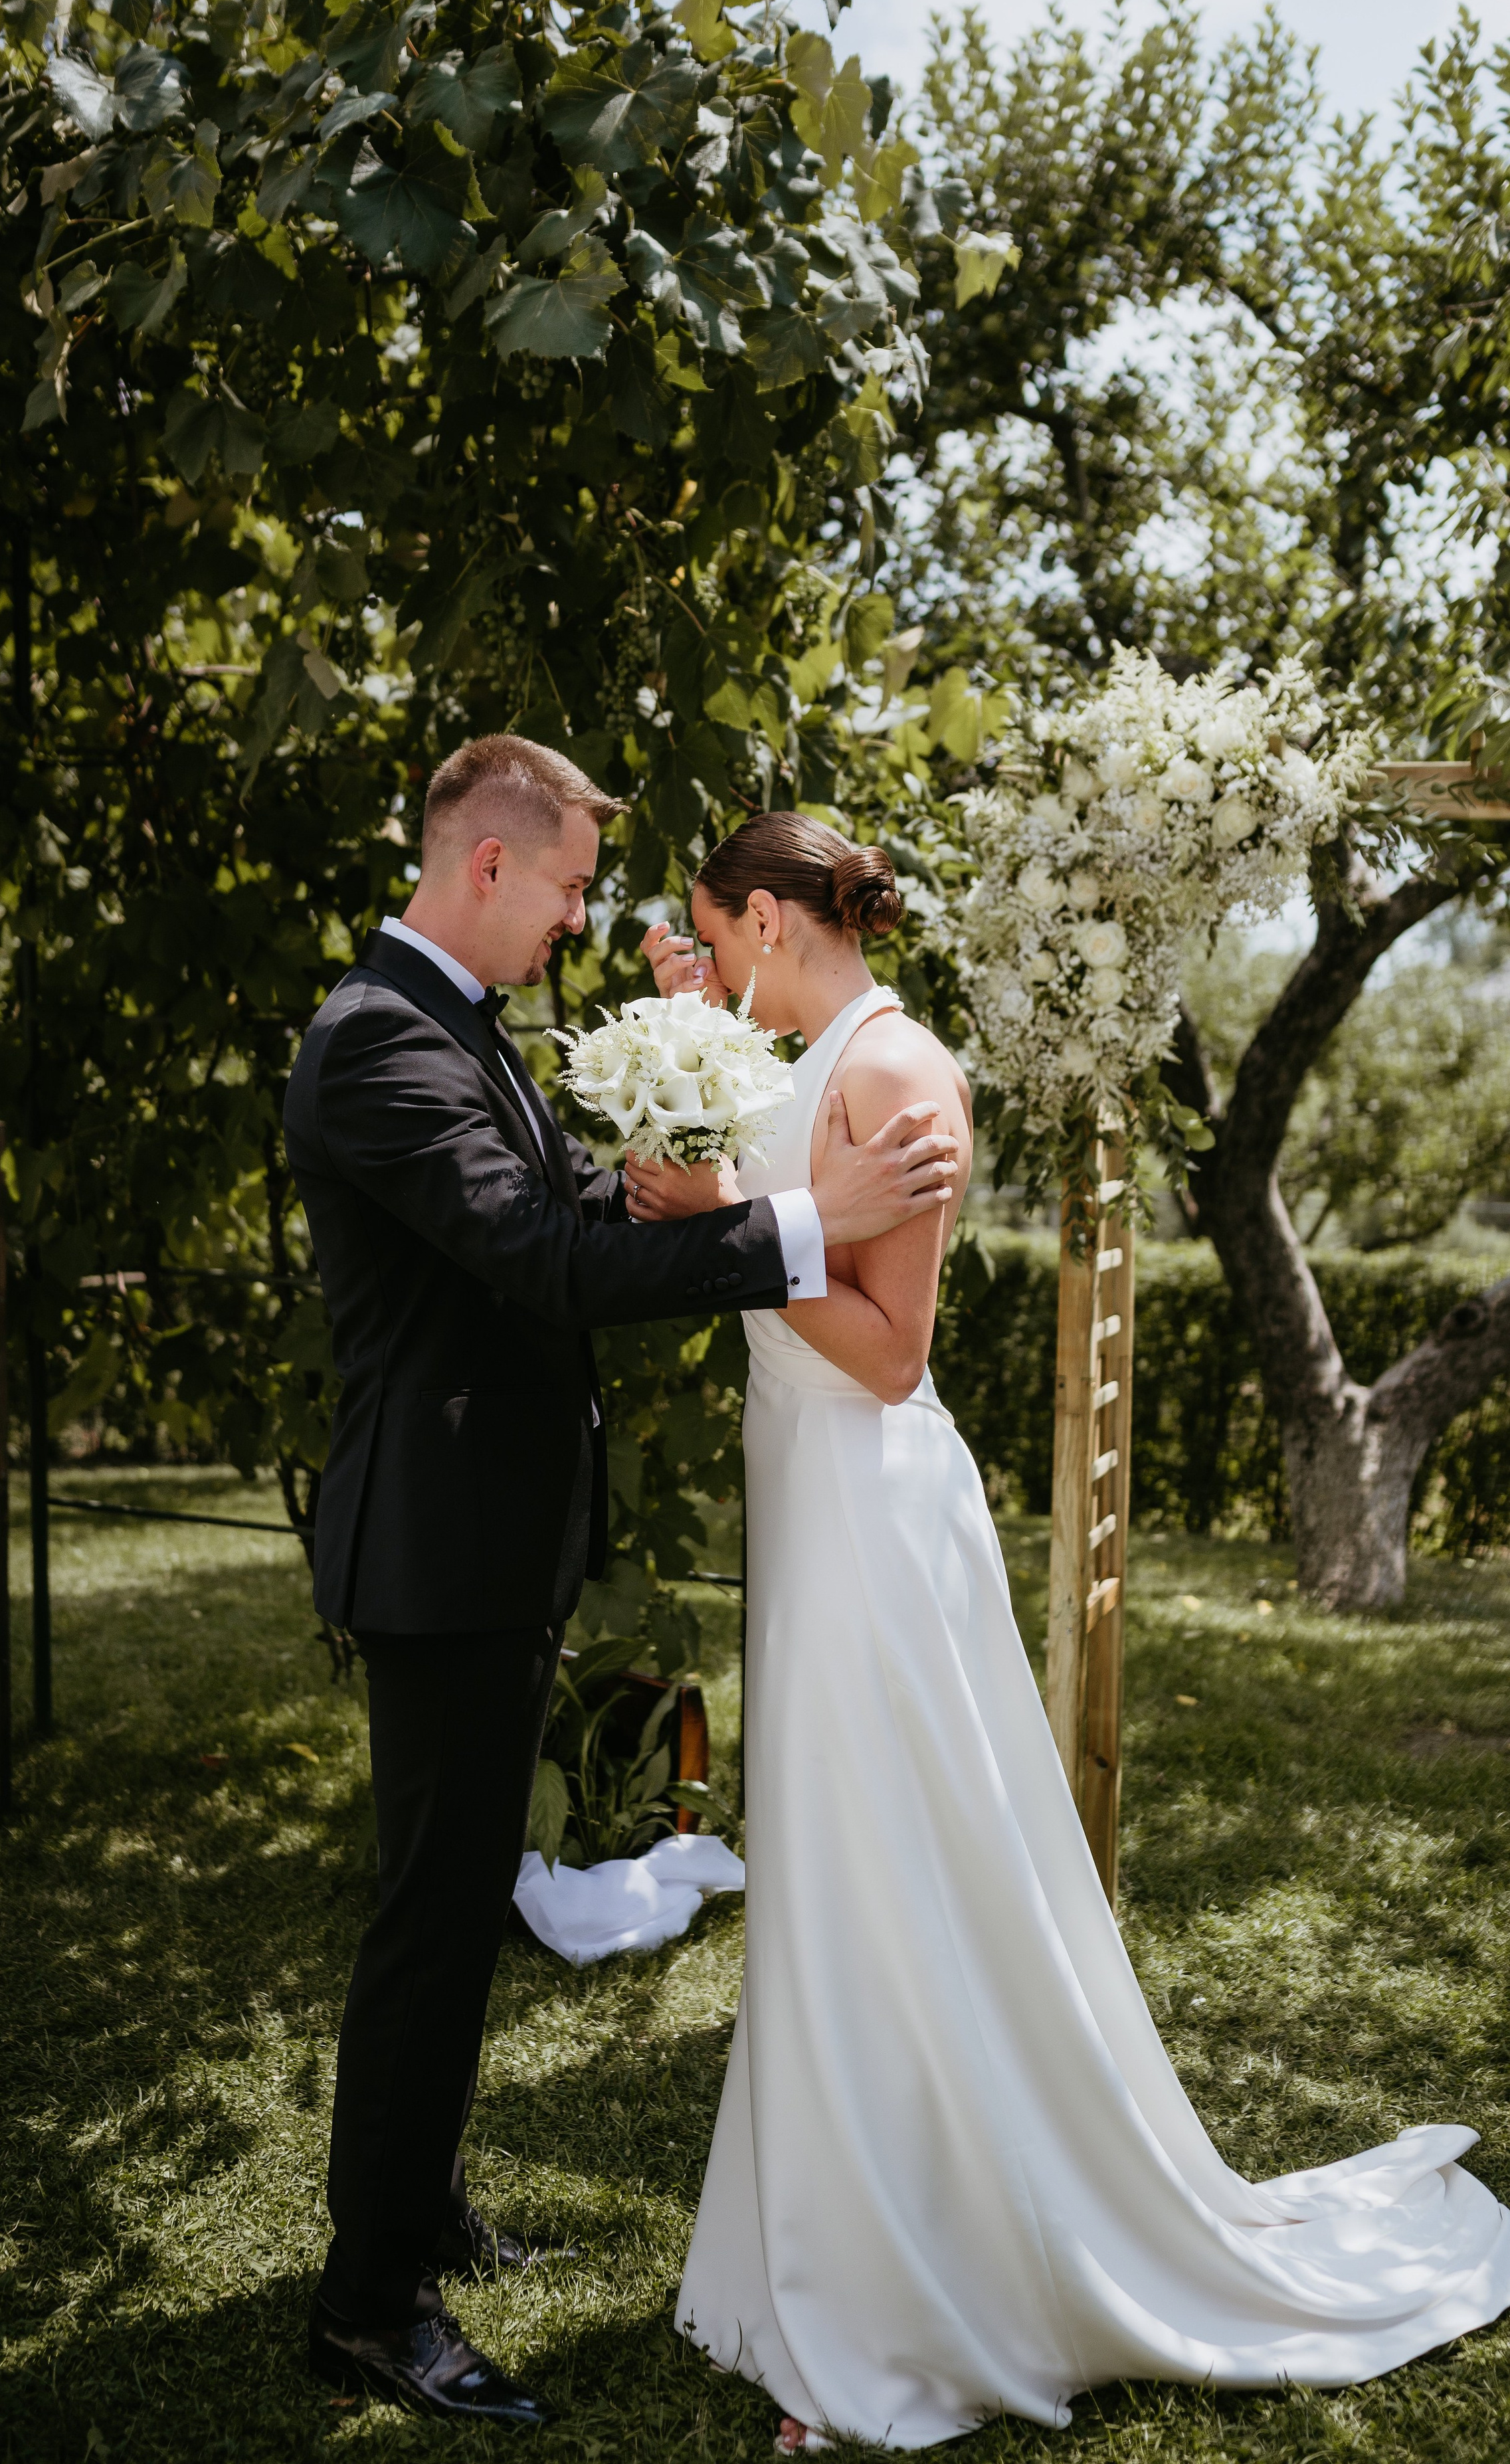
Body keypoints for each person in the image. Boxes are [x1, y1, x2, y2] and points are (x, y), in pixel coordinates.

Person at [630, 810, 1510, 2454]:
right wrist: (684, 1126)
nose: (704, 966)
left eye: (706, 936)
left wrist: (705, 1229)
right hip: (800, 1499)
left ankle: (903, 2293)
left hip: (871, 1510)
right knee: (827, 1868)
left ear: (765, 918)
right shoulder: (795, 1052)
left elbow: (889, 1355)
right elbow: (729, 1190)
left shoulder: (900, 1076)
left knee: (890, 1871)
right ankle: (822, 2249)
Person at [281, 738, 959, 2428]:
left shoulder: (459, 1031)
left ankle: (419, 2209)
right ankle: (369, 2304)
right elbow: (549, 1259)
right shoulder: (378, 1043)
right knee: (432, 1924)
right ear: (490, 867)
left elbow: (581, 1195)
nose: (587, 918)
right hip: (434, 1551)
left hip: (486, 1543)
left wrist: (722, 1176)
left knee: (460, 1900)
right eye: (576, 884)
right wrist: (818, 1219)